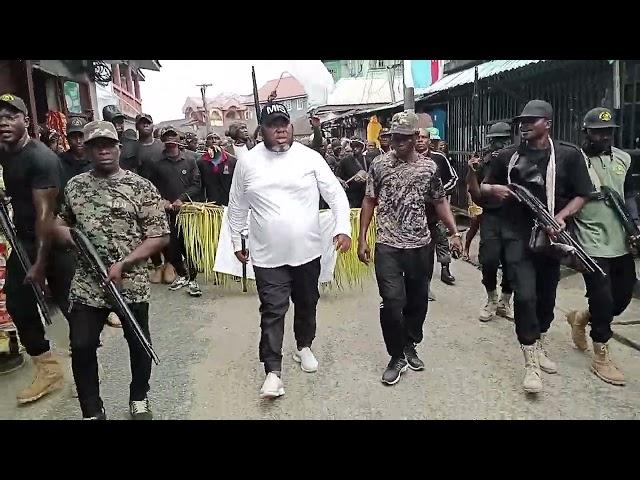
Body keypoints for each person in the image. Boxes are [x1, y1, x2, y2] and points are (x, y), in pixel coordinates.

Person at [227, 102, 351, 399]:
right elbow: (236, 206)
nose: (281, 129)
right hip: (267, 255)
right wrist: (236, 242)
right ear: (262, 130)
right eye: (273, 124)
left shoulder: (310, 158)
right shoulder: (247, 162)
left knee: (307, 302)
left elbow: (336, 196)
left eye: (285, 123)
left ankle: (304, 346)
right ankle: (272, 372)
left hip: (307, 251)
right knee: (272, 310)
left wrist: (342, 227)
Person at [53, 120, 169, 419]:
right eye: (96, 145)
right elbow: (60, 221)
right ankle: (92, 410)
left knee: (139, 343)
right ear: (87, 150)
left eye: (108, 144)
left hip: (130, 282)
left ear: (119, 147)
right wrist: (64, 234)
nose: (103, 149)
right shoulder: (75, 186)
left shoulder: (140, 187)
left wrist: (125, 263)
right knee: (81, 346)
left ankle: (139, 397)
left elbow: (159, 235)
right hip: (88, 283)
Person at [481, 100, 594, 394]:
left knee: (546, 296)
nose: (525, 125)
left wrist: (561, 216)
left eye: (532, 120)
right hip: (516, 235)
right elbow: (484, 187)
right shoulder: (507, 156)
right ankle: (530, 358)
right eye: (522, 121)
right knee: (525, 296)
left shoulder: (569, 156)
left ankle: (540, 339)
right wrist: (493, 189)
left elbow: (583, 194)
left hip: (551, 238)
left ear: (548, 123)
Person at [358, 112, 463, 386]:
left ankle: (410, 343)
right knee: (392, 302)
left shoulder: (429, 168)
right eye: (395, 137)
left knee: (417, 301)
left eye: (405, 137)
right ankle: (396, 356)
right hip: (388, 245)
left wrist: (454, 232)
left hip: (420, 245)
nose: (399, 143)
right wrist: (362, 239)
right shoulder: (379, 165)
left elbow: (440, 202)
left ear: (416, 138)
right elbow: (369, 200)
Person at [0, 93, 68, 404]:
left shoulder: (41, 158)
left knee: (75, 309)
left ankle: (85, 366)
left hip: (55, 239)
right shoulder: (6, 151)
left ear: (26, 121)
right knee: (17, 303)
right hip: (25, 237)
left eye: (12, 115)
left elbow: (45, 217)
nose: (4, 121)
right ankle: (48, 367)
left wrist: (39, 265)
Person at [565, 107, 637, 386]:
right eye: (598, 132)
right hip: (589, 239)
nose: (604, 137)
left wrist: (636, 223)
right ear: (586, 132)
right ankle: (601, 355)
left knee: (622, 296)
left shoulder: (623, 158)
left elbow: (628, 193)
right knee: (602, 297)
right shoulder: (574, 160)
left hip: (619, 237)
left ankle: (582, 317)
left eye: (608, 132)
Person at [146, 126, 203, 298]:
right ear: (163, 141)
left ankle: (193, 280)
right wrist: (161, 200)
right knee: (171, 247)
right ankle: (182, 274)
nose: (171, 141)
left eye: (173, 137)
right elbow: (149, 186)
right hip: (166, 212)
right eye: (167, 138)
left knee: (190, 246)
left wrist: (182, 199)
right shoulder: (155, 162)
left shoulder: (190, 160)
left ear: (179, 140)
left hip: (186, 211)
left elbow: (197, 184)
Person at [466, 122, 514, 321]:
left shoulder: (518, 159)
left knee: (513, 262)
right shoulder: (485, 162)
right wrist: (472, 171)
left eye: (502, 141)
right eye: (495, 141)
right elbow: (475, 193)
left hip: (515, 218)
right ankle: (491, 299)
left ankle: (505, 301)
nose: (499, 146)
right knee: (489, 260)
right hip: (491, 216)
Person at [416, 128, 459, 286]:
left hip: (438, 211)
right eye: (417, 137)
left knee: (441, 239)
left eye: (424, 137)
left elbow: (453, 178)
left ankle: (445, 268)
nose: (420, 140)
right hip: (416, 214)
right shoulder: (408, 159)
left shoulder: (439, 158)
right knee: (422, 250)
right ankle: (423, 283)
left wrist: (438, 194)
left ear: (429, 140)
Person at [134, 113, 169, 284]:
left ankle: (170, 263)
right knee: (146, 232)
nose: (145, 125)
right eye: (142, 123)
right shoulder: (133, 148)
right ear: (137, 127)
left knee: (164, 231)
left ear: (153, 125)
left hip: (163, 195)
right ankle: (157, 265)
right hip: (141, 196)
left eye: (148, 123)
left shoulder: (161, 147)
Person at [102, 105, 139, 174]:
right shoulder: (100, 147)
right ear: (105, 123)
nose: (118, 125)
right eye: (113, 121)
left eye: (120, 121)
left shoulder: (132, 143)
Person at [197, 141, 236, 206]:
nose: (214, 140)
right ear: (206, 144)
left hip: (228, 203)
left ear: (220, 142)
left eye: (216, 138)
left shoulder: (232, 161)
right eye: (211, 139)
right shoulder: (200, 162)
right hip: (208, 204)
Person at [338, 137, 369, 208]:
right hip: (350, 196)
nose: (355, 148)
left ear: (362, 147)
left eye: (357, 146)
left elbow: (373, 176)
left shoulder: (367, 160)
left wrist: (366, 177)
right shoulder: (345, 161)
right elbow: (337, 176)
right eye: (353, 146)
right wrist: (341, 181)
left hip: (364, 195)